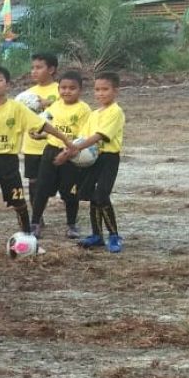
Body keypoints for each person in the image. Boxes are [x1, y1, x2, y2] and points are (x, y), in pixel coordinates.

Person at [0, 66, 71, 259]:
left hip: (9, 162)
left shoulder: (17, 108)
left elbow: (42, 124)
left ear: (7, 85)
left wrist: (66, 140)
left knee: (19, 203)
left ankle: (30, 242)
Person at [60, 72, 126, 253]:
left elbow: (98, 136)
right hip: (92, 160)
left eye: (105, 89)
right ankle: (97, 235)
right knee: (90, 195)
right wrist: (68, 152)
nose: (101, 93)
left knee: (101, 196)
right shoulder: (94, 114)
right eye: (97, 90)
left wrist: (75, 149)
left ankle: (114, 235)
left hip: (108, 158)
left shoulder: (116, 112)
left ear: (115, 91)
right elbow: (83, 137)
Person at [30, 70, 91, 239]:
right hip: (51, 151)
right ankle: (35, 223)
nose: (67, 91)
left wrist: (68, 153)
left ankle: (71, 225)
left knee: (69, 192)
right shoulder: (54, 106)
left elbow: (83, 136)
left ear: (81, 90)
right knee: (42, 189)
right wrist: (40, 135)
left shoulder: (84, 109)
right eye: (63, 87)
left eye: (72, 88)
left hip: (71, 155)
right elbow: (48, 126)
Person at [21, 53, 60, 233]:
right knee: (34, 182)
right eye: (33, 68)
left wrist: (47, 102)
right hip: (31, 146)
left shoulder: (61, 89)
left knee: (55, 183)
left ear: (51, 69)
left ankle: (71, 220)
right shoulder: (27, 95)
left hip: (52, 145)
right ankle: (37, 218)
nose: (34, 71)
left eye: (39, 67)